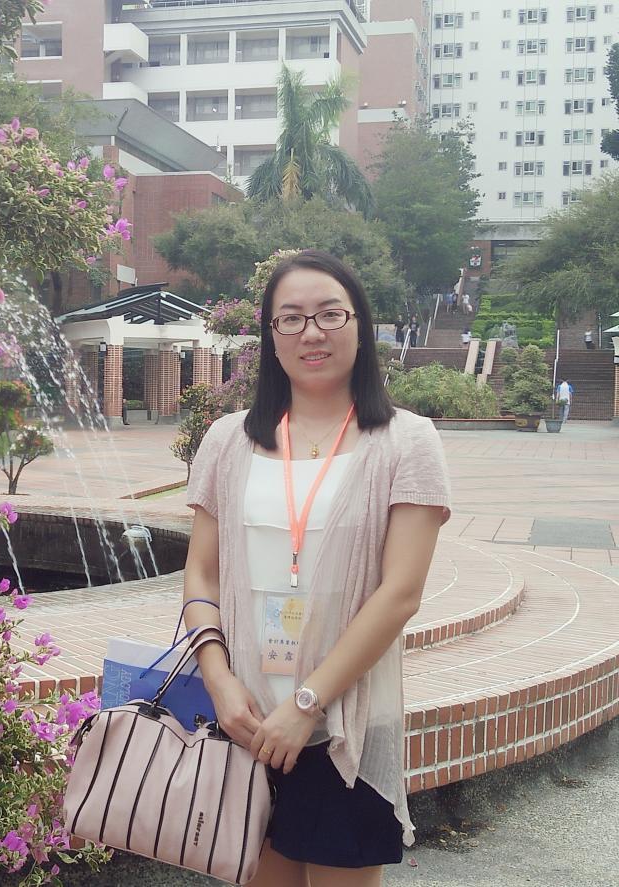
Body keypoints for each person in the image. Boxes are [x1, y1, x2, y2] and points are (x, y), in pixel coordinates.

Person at [183, 250, 450, 887]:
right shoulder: (227, 440)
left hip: (342, 727)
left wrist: (308, 703)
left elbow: (401, 593)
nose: (312, 332)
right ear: (271, 336)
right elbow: (201, 575)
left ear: (360, 325)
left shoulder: (406, 441)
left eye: (331, 314)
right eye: (292, 318)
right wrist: (220, 683)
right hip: (245, 722)